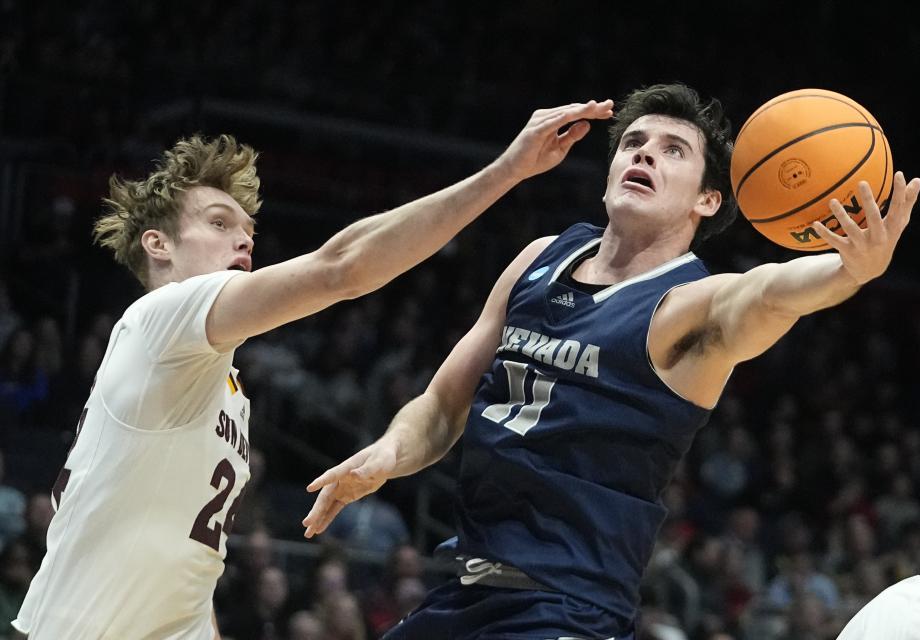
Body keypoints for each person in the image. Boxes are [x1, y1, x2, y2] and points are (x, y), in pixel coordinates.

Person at [302, 83, 920, 639]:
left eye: (673, 149)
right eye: (632, 142)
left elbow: (769, 290)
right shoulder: (539, 258)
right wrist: (389, 454)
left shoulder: (688, 308)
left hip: (567, 611)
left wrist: (850, 269)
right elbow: (442, 406)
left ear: (707, 201)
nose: (644, 154)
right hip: (463, 592)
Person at [11, 98, 614, 640]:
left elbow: (189, 568)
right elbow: (342, 267)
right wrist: (505, 171)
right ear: (158, 245)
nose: (244, 242)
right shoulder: (159, 319)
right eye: (219, 224)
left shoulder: (222, 386)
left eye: (249, 231)